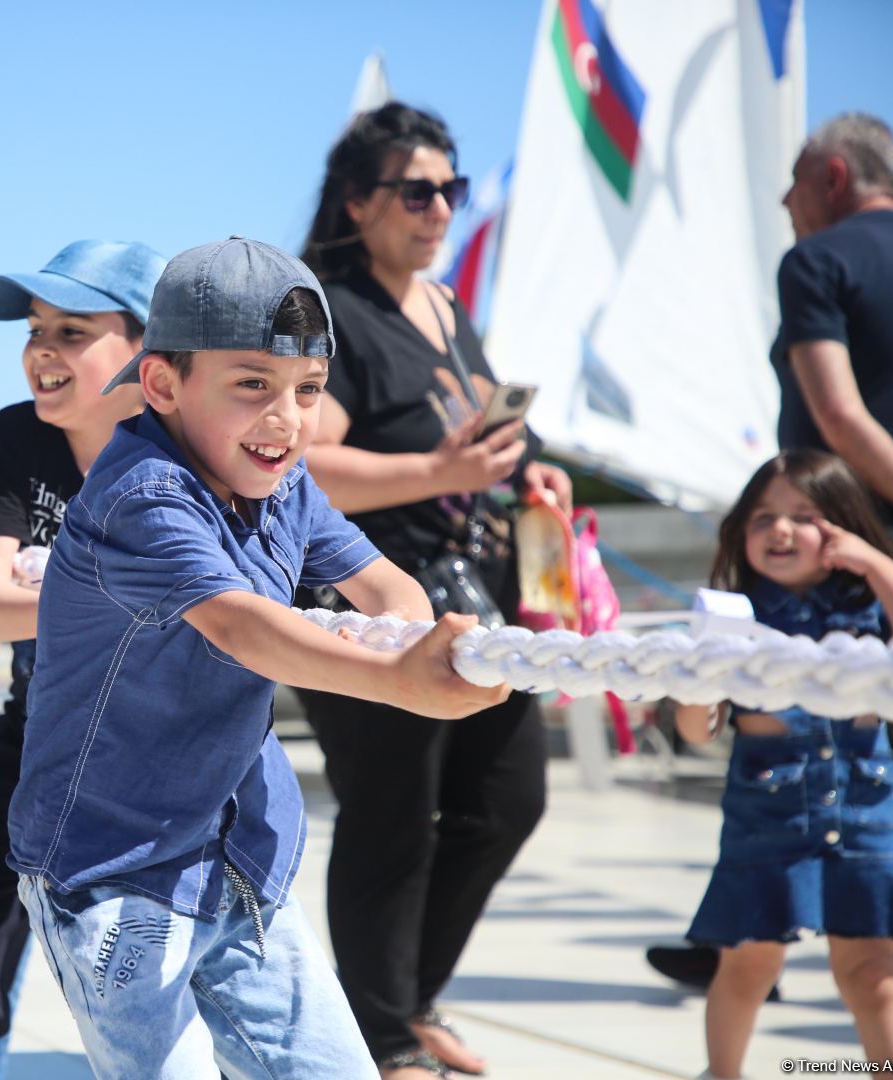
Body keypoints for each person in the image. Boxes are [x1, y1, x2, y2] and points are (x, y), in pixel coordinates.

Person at [7, 237, 509, 1080]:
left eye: (309, 390)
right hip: (116, 874)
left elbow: (384, 584)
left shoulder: (288, 482)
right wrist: (395, 679)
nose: (287, 419)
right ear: (162, 384)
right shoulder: (143, 495)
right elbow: (242, 625)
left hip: (244, 863)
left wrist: (412, 635)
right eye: (253, 386)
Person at [295, 101, 569, 1078]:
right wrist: (438, 476)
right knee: (390, 821)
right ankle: (383, 1036)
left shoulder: (447, 307)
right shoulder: (327, 308)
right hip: (367, 609)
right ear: (359, 202)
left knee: (509, 798)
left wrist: (527, 470)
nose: (442, 208)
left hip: (474, 599)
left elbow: (472, 436)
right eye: (418, 190)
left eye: (450, 188)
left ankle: (404, 1003)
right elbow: (304, 464)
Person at [648, 112, 893, 1000]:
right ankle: (748, 940)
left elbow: (841, 415)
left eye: (795, 181)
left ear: (836, 178)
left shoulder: (818, 261)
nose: (784, 200)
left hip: (879, 538)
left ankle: (750, 941)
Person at [0, 239, 166, 1079]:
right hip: (41, 723)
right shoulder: (14, 438)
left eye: (72, 331)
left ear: (146, 354)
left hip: (172, 743)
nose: (42, 351)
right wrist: (116, 602)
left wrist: (51, 599)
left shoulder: (186, 451)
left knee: (161, 963)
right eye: (35, 329)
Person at [672, 449, 893, 1080]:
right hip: (768, 820)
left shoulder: (870, 606)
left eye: (805, 515)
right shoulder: (733, 615)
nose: (781, 530)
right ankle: (723, 1073)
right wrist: (700, 675)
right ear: (739, 531)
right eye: (763, 517)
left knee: (873, 972)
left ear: (844, 526)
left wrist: (875, 561)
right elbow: (694, 731)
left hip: (868, 815)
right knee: (748, 964)